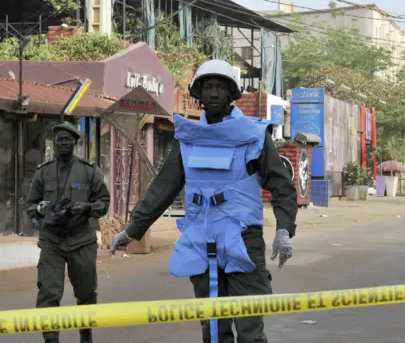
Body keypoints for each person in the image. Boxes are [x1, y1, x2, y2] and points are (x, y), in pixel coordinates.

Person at [111, 59, 298, 343]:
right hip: (200, 238)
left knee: (249, 327)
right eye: (207, 87)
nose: (213, 93)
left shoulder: (254, 136)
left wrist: (284, 229)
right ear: (198, 94)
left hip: (243, 238)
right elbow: (163, 188)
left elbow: (282, 187)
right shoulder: (189, 138)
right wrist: (132, 231)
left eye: (220, 87)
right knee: (212, 329)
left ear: (231, 93)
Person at [26, 122, 110, 343]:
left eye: (68, 139)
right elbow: (30, 205)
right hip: (52, 240)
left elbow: (104, 201)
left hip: (81, 239)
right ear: (54, 143)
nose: (64, 143)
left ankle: (86, 334)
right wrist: (41, 210)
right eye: (60, 139)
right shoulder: (43, 173)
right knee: (48, 293)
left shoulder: (88, 171)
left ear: (75, 142)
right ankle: (51, 339)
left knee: (86, 293)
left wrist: (87, 208)